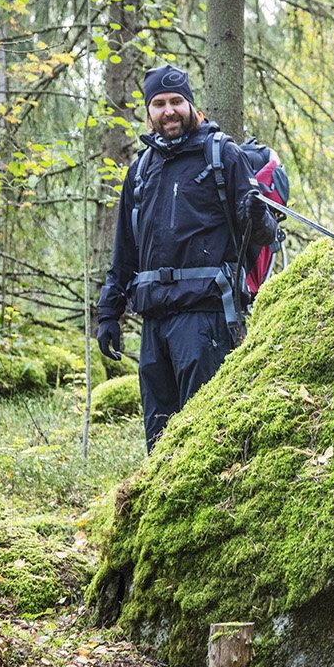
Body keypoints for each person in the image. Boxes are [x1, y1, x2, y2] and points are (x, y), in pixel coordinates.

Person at [96, 63, 278, 451]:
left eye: (176, 101)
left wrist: (256, 214)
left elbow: (263, 234)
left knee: (205, 440)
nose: (168, 111)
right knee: (159, 441)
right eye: (159, 103)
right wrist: (109, 314)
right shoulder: (141, 170)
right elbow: (124, 250)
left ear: (191, 105)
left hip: (205, 320)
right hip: (154, 326)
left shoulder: (222, 155)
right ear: (148, 111)